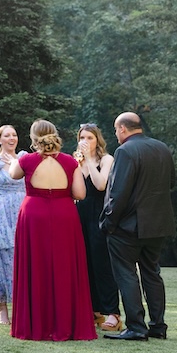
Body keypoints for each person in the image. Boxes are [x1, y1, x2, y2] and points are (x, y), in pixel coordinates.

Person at [6, 119, 94, 341]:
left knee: (36, 265)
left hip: (34, 215)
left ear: (34, 138)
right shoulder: (69, 162)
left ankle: (37, 325)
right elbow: (80, 194)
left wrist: (15, 160)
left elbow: (12, 175)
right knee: (65, 267)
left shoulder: (26, 160)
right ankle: (66, 324)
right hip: (64, 215)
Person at [100, 112, 176, 342]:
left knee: (126, 274)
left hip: (128, 226)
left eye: (116, 130)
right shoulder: (162, 148)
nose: (116, 134)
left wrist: (108, 222)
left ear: (123, 129)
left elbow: (118, 192)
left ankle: (136, 327)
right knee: (152, 273)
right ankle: (158, 325)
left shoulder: (125, 151)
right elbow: (171, 182)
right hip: (159, 223)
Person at [75, 123, 121, 333]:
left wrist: (89, 162)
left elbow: (101, 184)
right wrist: (78, 163)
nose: (85, 141)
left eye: (90, 138)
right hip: (78, 216)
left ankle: (113, 312)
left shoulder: (106, 159)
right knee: (83, 263)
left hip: (99, 215)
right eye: (82, 137)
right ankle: (93, 310)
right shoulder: (75, 160)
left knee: (102, 264)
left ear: (97, 140)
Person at [0, 125, 24, 326]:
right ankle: (2, 308)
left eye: (14, 135)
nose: (11, 138)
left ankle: (21, 306)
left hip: (23, 211)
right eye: (7, 135)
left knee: (22, 259)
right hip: (1, 212)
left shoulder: (24, 158)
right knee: (1, 260)